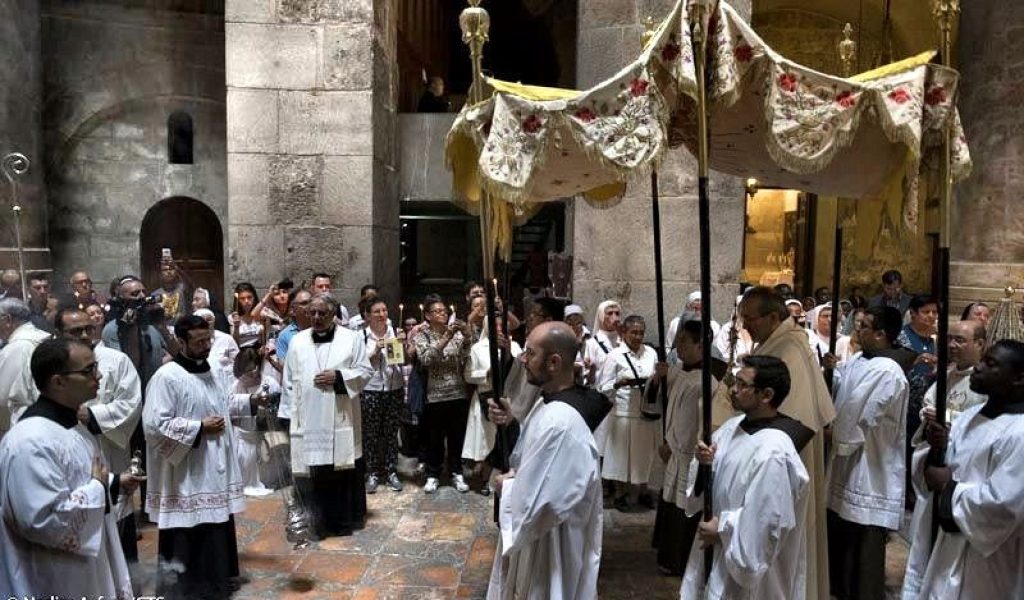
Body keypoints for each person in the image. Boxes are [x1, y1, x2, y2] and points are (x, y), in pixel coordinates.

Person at [0, 338, 141, 598]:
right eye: (88, 371)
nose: (98, 375)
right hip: (53, 576)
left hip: (83, 568)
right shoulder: (30, 441)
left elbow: (74, 481)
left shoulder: (73, 427)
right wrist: (98, 488)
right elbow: (40, 520)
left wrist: (112, 483)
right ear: (58, 381)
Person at [487, 322, 606, 600]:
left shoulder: (560, 422)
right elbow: (533, 458)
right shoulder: (549, 404)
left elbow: (542, 504)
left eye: (530, 353)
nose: (522, 359)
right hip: (542, 539)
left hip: (551, 545)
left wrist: (505, 487)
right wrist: (511, 423)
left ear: (554, 362)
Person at [680, 355, 813, 600]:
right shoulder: (733, 426)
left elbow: (768, 520)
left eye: (742, 385)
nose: (733, 389)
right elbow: (709, 485)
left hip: (748, 567)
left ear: (767, 395)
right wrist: (704, 464)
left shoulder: (774, 451)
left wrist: (723, 528)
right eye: (735, 381)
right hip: (718, 549)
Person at [901, 340, 1024, 599]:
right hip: (945, 544)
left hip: (987, 559)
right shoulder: (971, 415)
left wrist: (949, 487)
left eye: (991, 364)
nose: (978, 367)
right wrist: (938, 449)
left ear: (1018, 378)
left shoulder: (1020, 432)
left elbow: (1003, 505)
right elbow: (937, 473)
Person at [144, 315, 252, 598]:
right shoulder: (167, 377)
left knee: (216, 524)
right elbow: (154, 425)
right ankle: (187, 587)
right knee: (188, 528)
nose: (206, 346)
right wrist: (198, 428)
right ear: (181, 342)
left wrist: (250, 401)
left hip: (215, 465)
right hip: (187, 471)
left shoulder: (213, 370)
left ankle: (216, 581)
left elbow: (224, 403)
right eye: (199, 342)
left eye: (209, 340)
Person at [738, 287, 835, 600]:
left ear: (773, 317)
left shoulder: (789, 351)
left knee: (782, 541)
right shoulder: (781, 342)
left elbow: (797, 420)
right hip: (775, 453)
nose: (746, 326)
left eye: (751, 319)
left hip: (783, 461)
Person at [826, 306, 909, 600]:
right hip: (849, 460)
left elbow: (859, 413)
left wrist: (833, 434)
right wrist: (831, 372)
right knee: (843, 529)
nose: (856, 331)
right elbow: (844, 390)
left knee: (863, 537)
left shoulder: (887, 370)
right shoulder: (861, 360)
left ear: (881, 334)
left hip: (870, 463)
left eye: (863, 326)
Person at [278, 294, 373, 538]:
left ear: (333, 315)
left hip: (340, 416)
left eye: (323, 313)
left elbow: (364, 371)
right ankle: (315, 520)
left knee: (340, 470)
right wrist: (288, 415)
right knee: (313, 472)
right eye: (313, 313)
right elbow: (288, 380)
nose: (317, 318)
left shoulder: (351, 339)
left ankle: (342, 521)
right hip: (307, 420)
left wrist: (339, 378)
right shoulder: (297, 342)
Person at [56, 308, 144, 563]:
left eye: (88, 329)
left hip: (109, 449)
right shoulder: (51, 362)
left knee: (116, 514)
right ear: (59, 334)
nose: (84, 335)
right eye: (75, 331)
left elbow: (131, 403)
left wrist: (93, 416)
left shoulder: (115, 360)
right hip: (67, 452)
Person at [649, 319, 717, 576]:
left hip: (688, 455)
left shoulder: (706, 381)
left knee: (683, 509)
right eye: (678, 339)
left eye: (684, 341)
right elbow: (662, 405)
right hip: (674, 451)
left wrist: (679, 446)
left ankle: (679, 561)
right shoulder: (679, 372)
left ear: (701, 345)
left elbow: (698, 425)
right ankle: (667, 556)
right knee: (670, 506)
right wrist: (659, 379)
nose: (678, 345)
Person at [597, 314, 659, 511]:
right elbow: (602, 387)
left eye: (641, 333)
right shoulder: (614, 356)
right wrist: (619, 383)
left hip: (645, 411)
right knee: (623, 459)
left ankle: (641, 492)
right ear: (624, 333)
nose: (638, 337)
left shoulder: (650, 353)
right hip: (623, 413)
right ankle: (622, 494)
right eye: (633, 332)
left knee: (643, 457)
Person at [413, 297, 473, 493]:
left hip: (457, 391)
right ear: (428, 316)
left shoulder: (456, 334)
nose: (443, 313)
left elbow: (466, 358)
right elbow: (426, 359)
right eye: (437, 311)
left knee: (456, 436)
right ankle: (433, 474)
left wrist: (467, 337)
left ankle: (456, 471)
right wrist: (446, 337)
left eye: (444, 311)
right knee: (434, 438)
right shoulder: (423, 334)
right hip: (435, 394)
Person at [464, 315, 521, 495]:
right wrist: (485, 373)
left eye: (501, 324)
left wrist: (508, 353)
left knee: (505, 438)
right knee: (486, 439)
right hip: (486, 396)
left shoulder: (515, 345)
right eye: (494, 325)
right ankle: (483, 475)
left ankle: (502, 472)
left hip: (508, 398)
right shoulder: (478, 348)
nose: (498, 327)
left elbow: (519, 370)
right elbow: (468, 374)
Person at [360, 296, 406, 493]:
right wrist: (375, 350)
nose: (382, 315)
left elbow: (402, 360)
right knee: (370, 434)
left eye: (385, 311)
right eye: (377, 311)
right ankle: (371, 472)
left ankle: (391, 471)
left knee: (390, 432)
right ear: (367, 316)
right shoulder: (361, 337)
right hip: (371, 389)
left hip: (393, 387)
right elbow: (360, 364)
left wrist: (403, 344)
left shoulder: (394, 333)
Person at [229, 347, 278, 496]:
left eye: (250, 372)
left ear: (258, 367)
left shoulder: (269, 383)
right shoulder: (236, 386)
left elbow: (277, 409)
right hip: (243, 439)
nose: (245, 378)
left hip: (264, 437)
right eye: (242, 374)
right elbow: (229, 409)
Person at [0, 298, 52, 435]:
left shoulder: (18, 347)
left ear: (8, 319)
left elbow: (2, 397)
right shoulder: (40, 338)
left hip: (29, 424)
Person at [666, 291, 720, 358]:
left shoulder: (714, 326)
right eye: (694, 308)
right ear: (688, 308)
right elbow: (668, 347)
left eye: (701, 309)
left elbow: (715, 349)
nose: (697, 312)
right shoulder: (675, 323)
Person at [196, 308, 240, 385]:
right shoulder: (193, 343)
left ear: (214, 321)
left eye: (209, 320)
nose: (206, 323)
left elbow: (238, 363)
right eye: (202, 320)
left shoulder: (226, 338)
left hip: (228, 383)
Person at [277, 287, 312, 363]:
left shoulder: (322, 329)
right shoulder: (285, 335)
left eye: (311, 302)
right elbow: (284, 368)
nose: (310, 306)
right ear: (293, 310)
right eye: (304, 303)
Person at [230, 282, 264, 349]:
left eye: (249, 297)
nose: (246, 301)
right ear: (238, 301)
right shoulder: (233, 317)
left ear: (254, 297)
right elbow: (234, 343)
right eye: (242, 298)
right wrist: (236, 326)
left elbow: (265, 339)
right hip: (242, 353)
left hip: (258, 352)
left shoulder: (261, 314)